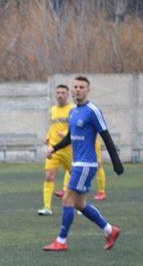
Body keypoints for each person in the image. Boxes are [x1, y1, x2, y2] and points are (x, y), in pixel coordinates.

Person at [43, 76, 124, 252]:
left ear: (88, 90)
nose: (77, 90)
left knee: (68, 198)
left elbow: (106, 136)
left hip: (86, 164)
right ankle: (109, 230)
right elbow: (69, 138)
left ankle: (61, 241)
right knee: (79, 204)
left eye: (81, 87)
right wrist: (54, 148)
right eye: (75, 87)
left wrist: (117, 163)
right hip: (77, 162)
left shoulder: (93, 111)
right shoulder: (73, 112)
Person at [39, 84, 73, 216]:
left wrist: (66, 132)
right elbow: (52, 127)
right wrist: (48, 136)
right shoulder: (53, 110)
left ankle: (79, 205)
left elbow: (74, 127)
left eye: (63, 93)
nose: (60, 95)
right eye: (58, 93)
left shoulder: (72, 109)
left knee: (75, 177)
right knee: (49, 176)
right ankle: (47, 207)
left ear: (67, 94)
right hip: (53, 149)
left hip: (68, 149)